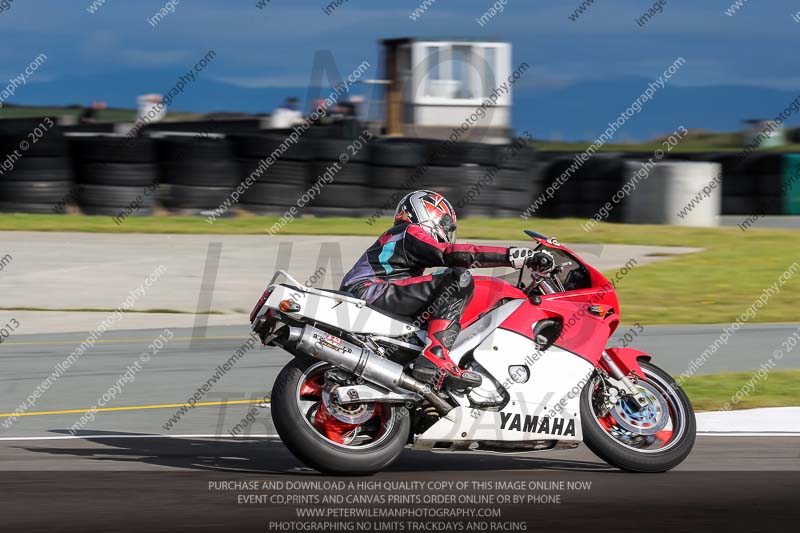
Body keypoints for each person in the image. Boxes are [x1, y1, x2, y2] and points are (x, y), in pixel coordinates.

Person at [340, 190, 534, 389]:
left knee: (439, 300)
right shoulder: (408, 231)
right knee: (457, 278)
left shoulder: (401, 237)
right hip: (368, 290)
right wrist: (510, 256)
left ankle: (421, 359)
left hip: (373, 293)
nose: (446, 232)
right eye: (444, 224)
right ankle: (435, 355)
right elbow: (449, 254)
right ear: (428, 213)